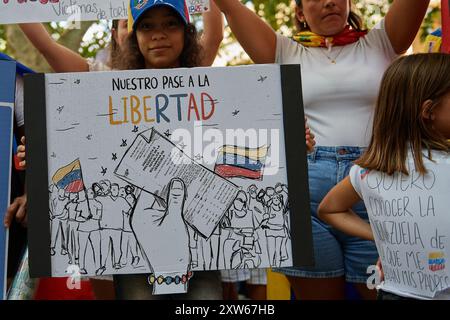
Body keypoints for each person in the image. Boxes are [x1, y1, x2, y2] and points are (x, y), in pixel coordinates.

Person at [212, 0, 431, 299]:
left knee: (387, 295)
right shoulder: (284, 51)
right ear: (300, 12)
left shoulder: (381, 41)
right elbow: (230, 7)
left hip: (375, 190)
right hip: (307, 195)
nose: (329, 1)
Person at [318, 53, 450, 300]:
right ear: (429, 110)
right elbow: (330, 210)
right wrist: (381, 233)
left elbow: (330, 208)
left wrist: (382, 234)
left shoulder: (370, 169)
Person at [18, 0, 224, 72]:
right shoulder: (109, 80)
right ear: (134, 38)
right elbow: (47, 47)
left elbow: (214, 35)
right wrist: (13, 9)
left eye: (171, 24)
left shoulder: (197, 73)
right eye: (146, 26)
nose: (158, 35)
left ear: (187, 34)